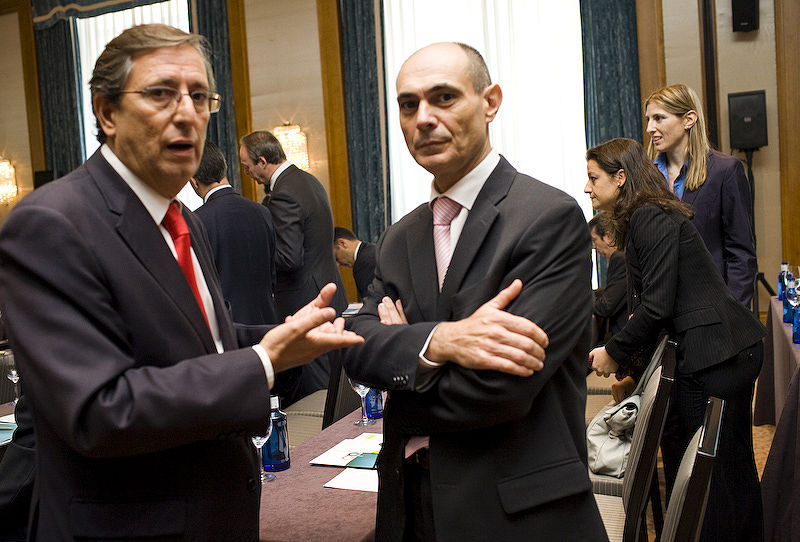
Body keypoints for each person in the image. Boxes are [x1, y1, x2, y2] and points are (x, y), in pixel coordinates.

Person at [0, 24, 362, 541]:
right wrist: (261, 360)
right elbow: (101, 411)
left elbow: (198, 341)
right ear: (106, 113)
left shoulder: (180, 219)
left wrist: (280, 337)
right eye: (161, 94)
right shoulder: (53, 222)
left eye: (199, 97)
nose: (187, 113)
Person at [342, 42, 606, 541]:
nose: (423, 118)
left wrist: (401, 366)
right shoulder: (400, 237)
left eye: (443, 97)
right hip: (411, 512)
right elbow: (356, 345)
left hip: (515, 514)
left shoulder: (547, 218)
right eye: (408, 104)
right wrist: (439, 343)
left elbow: (500, 390)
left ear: (490, 102)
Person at [585, 137, 766, 542]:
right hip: (714, 350)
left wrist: (615, 352)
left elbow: (656, 306)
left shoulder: (650, 216)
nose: (587, 187)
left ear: (620, 177)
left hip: (719, 352)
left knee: (713, 477)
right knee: (724, 471)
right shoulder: (645, 217)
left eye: (593, 178)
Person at [239, 130, 348, 402]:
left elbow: (288, 257)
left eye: (247, 166)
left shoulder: (284, 193)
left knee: (316, 393)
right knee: (331, 387)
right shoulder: (309, 181)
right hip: (327, 291)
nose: (247, 172)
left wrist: (255, 259)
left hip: (305, 300)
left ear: (262, 161)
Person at [644, 83, 756, 307]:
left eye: (658, 118)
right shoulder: (647, 176)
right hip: (660, 311)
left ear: (689, 119)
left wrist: (732, 314)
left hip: (711, 309)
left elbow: (741, 255)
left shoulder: (724, 171)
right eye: (648, 119)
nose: (649, 128)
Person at [191, 140, 279, 326]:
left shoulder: (196, 221)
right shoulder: (262, 212)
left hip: (229, 326)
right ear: (224, 169)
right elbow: (272, 274)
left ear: (194, 182)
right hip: (267, 321)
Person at [588, 212, 627, 338]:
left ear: (608, 236)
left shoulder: (619, 258)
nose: (593, 247)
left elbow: (605, 307)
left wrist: (579, 300)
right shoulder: (623, 256)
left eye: (594, 240)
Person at [333, 226, 377, 300]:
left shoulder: (363, 263)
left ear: (342, 243)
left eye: (336, 257)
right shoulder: (372, 249)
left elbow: (371, 304)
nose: (338, 264)